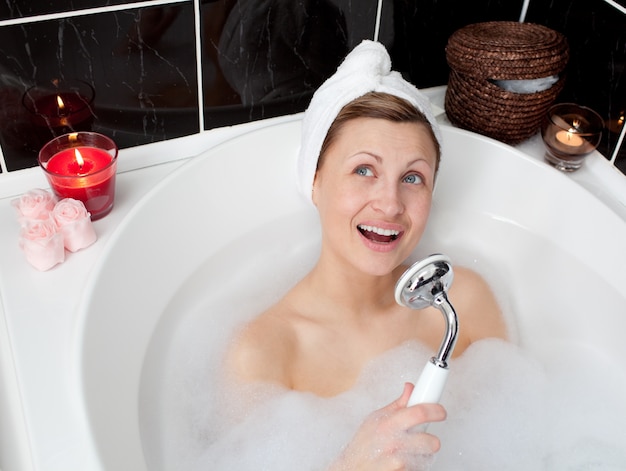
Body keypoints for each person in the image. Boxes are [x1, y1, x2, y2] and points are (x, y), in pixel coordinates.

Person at [226, 40, 507, 470]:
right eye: (364, 170)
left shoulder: (464, 300)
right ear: (315, 181)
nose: (390, 203)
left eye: (413, 177)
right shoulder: (262, 353)